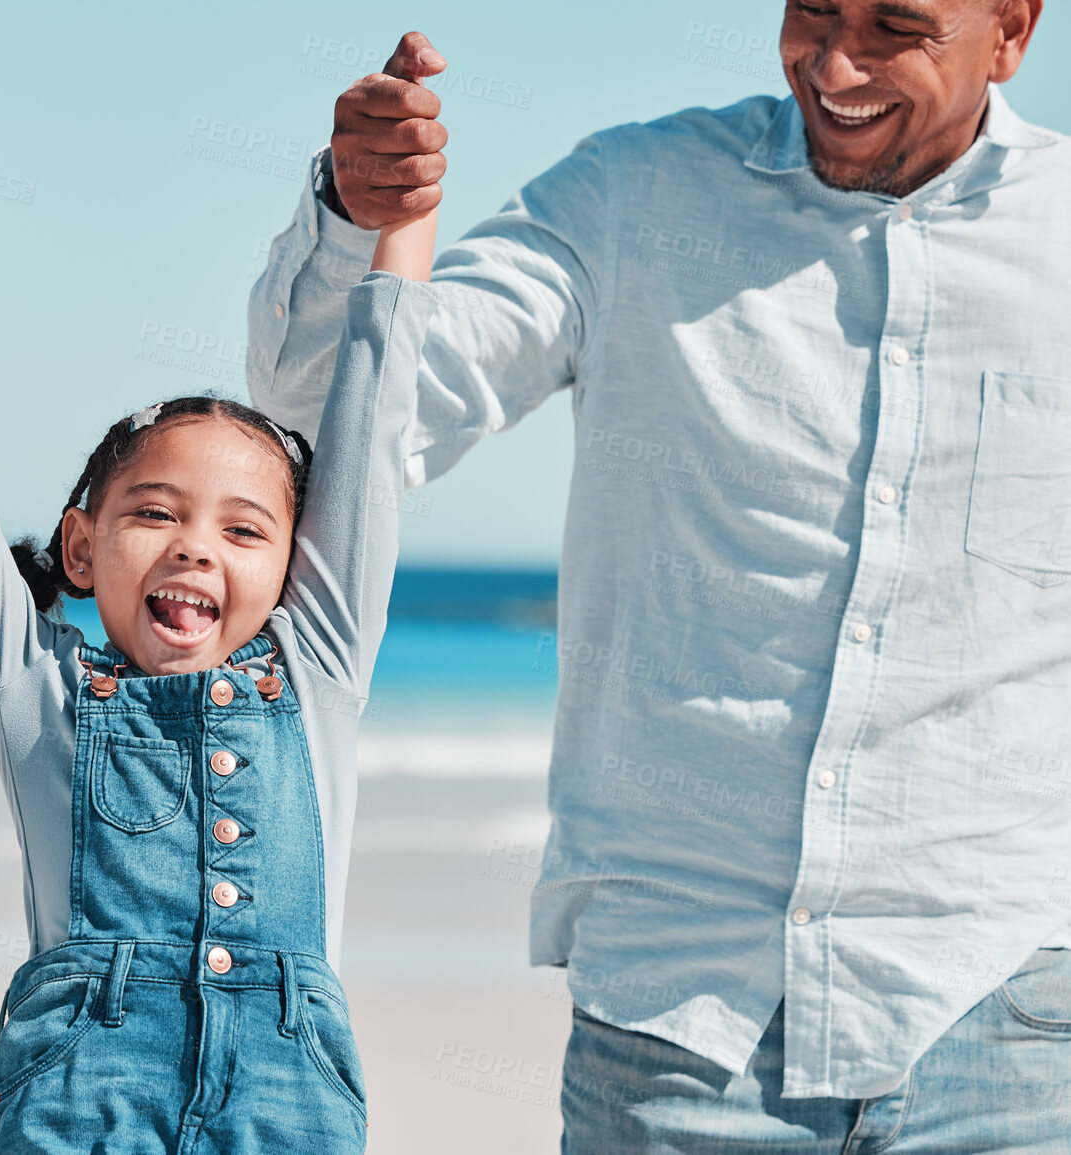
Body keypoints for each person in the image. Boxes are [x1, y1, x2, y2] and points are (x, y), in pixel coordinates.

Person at [249, 4, 1071, 1150]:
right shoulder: (632, 198)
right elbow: (337, 436)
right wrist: (359, 227)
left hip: (1012, 1023)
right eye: (813, 13)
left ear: (1013, 30)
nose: (834, 65)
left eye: (894, 27)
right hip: (680, 1027)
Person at [0, 141, 438, 1148]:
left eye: (243, 531)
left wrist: (405, 220)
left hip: (290, 1097)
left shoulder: (320, 673)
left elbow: (371, 427)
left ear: (292, 574)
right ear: (81, 545)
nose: (197, 548)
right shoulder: (34, 689)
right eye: (156, 514)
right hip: (82, 1086)